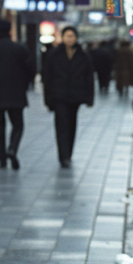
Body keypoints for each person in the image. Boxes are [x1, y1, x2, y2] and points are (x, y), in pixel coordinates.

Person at [0, 20, 35, 170]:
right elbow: (30, 70)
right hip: (16, 94)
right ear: (10, 30)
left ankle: (2, 158)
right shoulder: (19, 49)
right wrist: (25, 84)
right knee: (18, 125)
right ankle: (12, 148)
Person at [41, 25, 94, 168]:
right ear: (62, 37)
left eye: (72, 36)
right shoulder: (54, 54)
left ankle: (68, 154)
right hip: (59, 96)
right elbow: (47, 78)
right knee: (62, 125)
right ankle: (63, 156)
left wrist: (89, 98)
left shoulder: (83, 55)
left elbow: (89, 77)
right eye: (67, 36)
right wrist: (48, 99)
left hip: (76, 96)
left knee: (71, 125)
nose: (69, 39)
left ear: (76, 38)